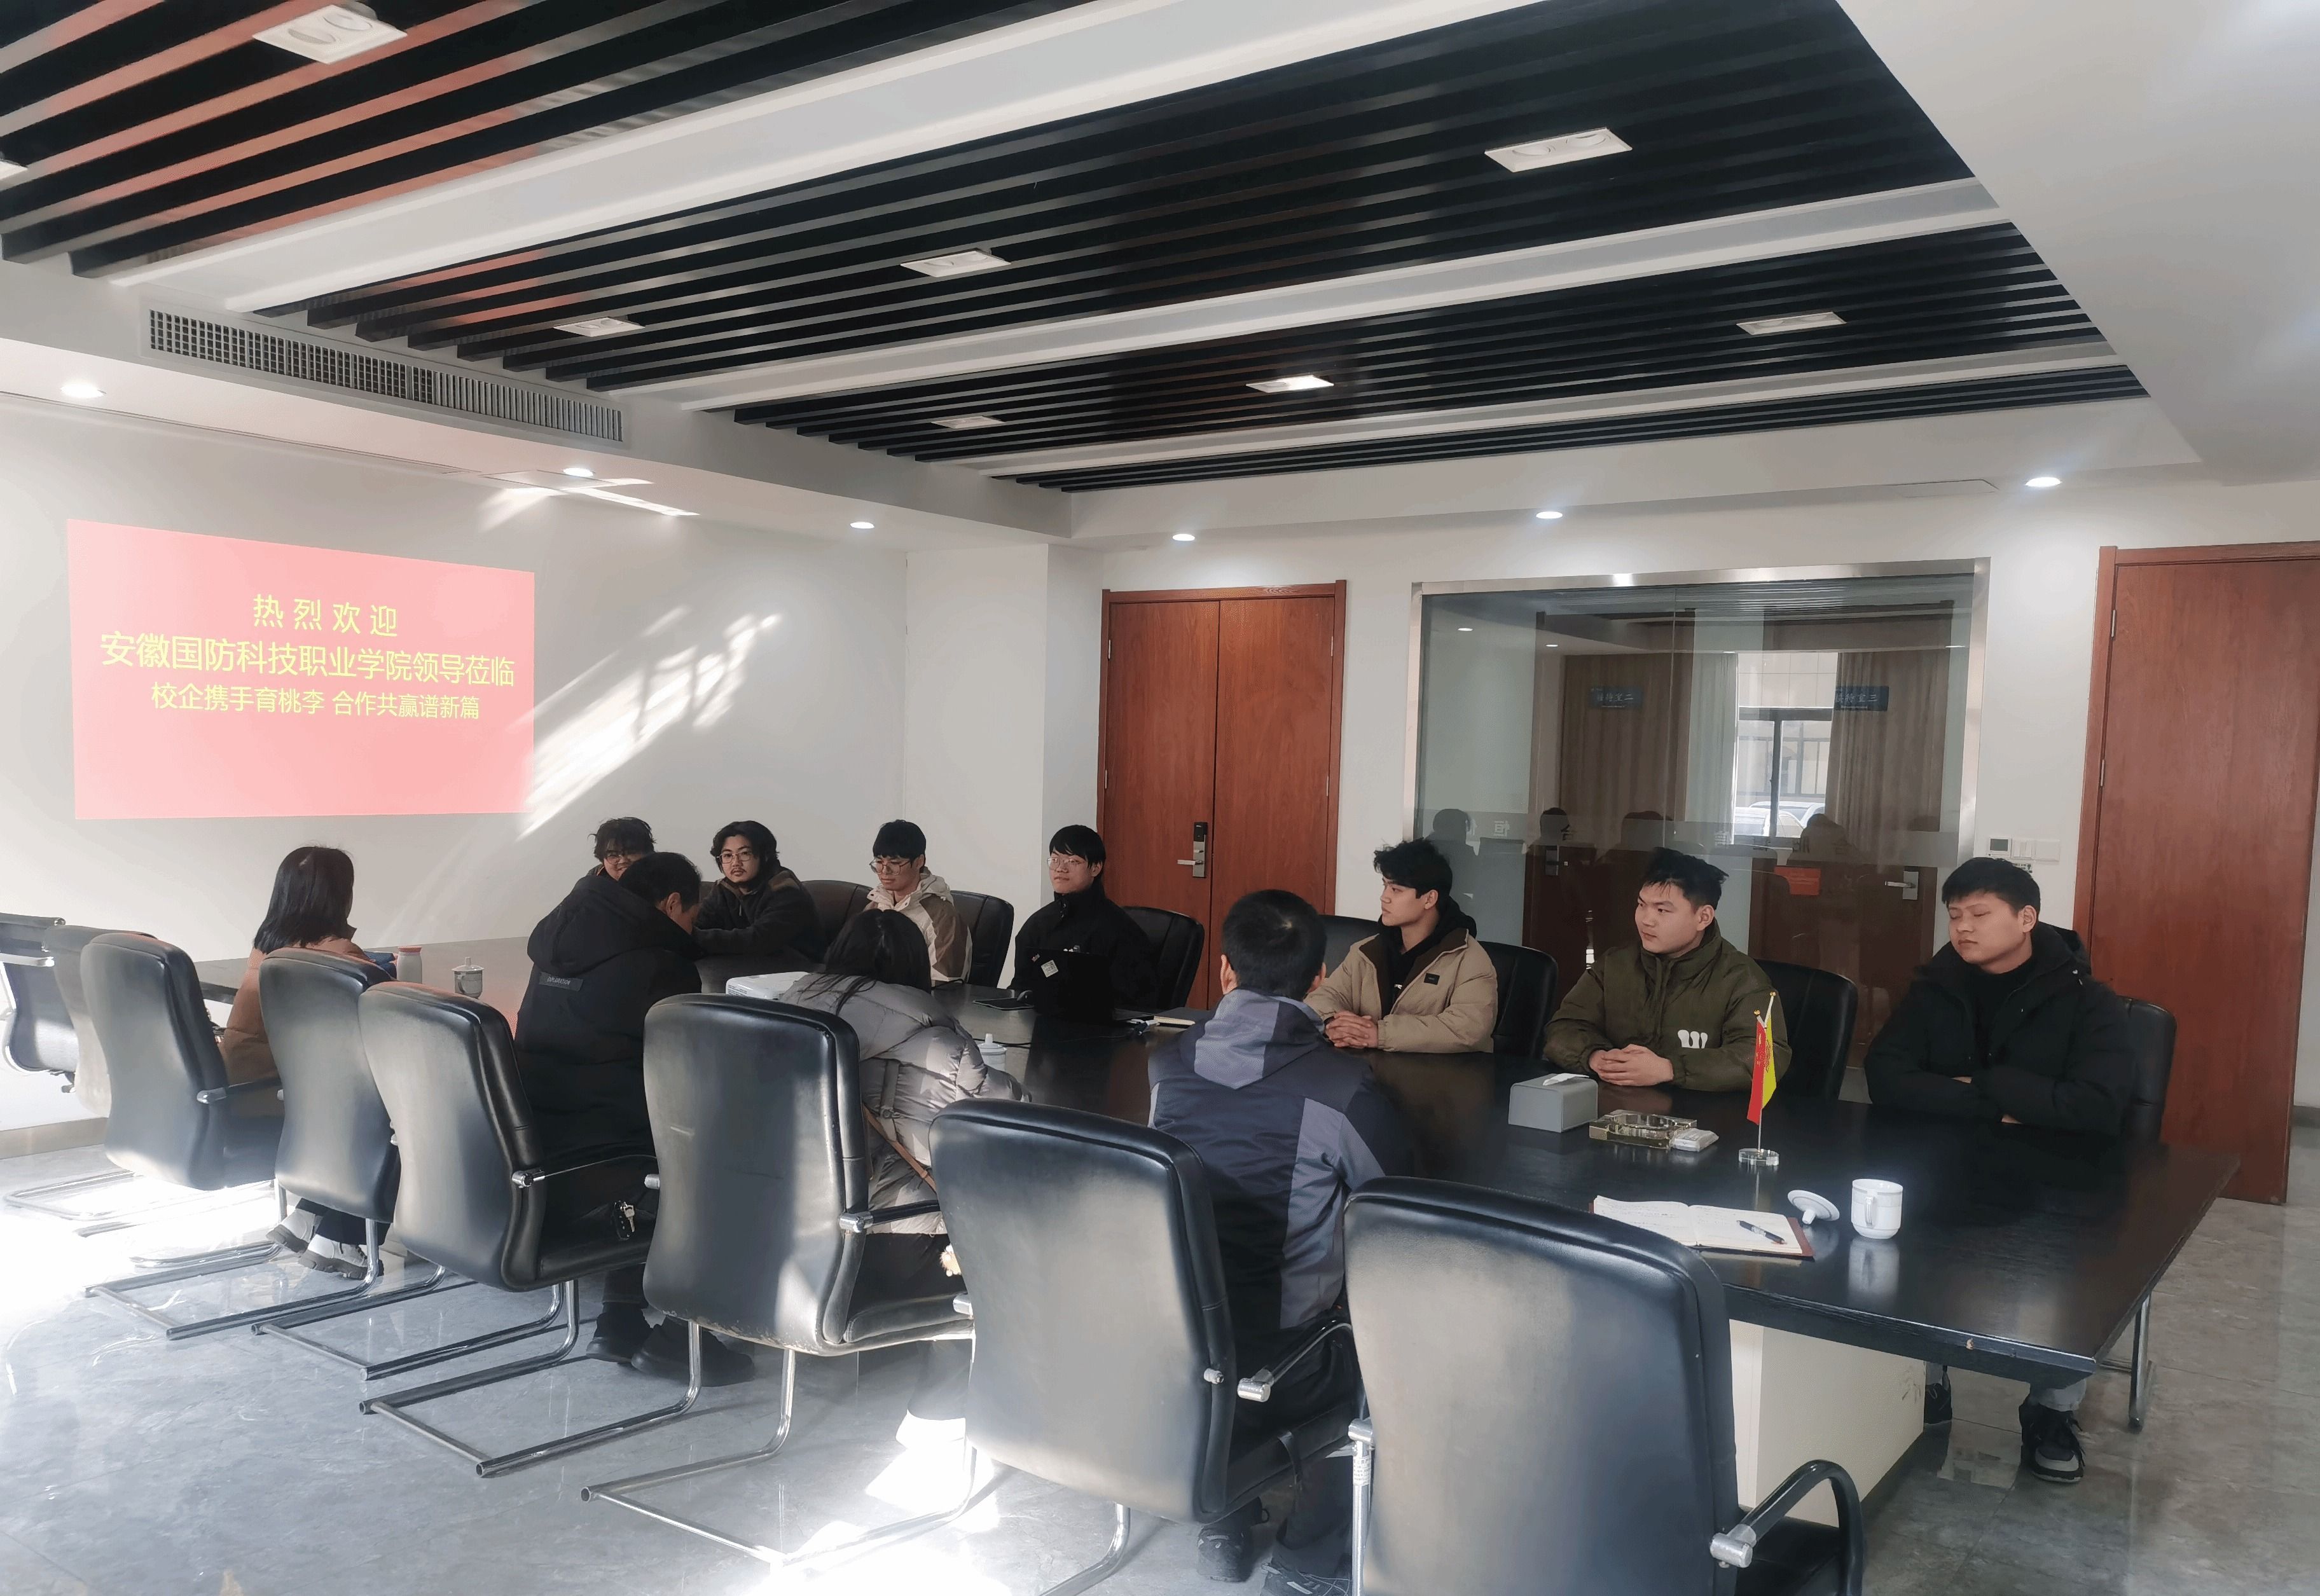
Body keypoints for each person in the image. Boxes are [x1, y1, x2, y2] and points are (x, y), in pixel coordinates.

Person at [1150, 890, 1414, 1594]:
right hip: (1289, 1358)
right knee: (1378, 1347)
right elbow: (1396, 1208)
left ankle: (1225, 1522)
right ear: (1319, 976)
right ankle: (1311, 1564)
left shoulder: (1168, 1066)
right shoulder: (1342, 1088)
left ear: (1225, 970)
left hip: (1178, 1345)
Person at [1864, 856, 2132, 1485]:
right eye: (1955, 915)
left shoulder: (2088, 1000)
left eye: (1979, 914)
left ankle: (2051, 1409)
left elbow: (2095, 1105)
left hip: (2053, 1173)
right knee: (1891, 1230)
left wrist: (1982, 1082)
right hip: (1947, 1160)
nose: (1963, 927)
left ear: (2026, 918)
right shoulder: (1935, 987)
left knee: (2070, 1265)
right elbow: (1886, 1076)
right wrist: (2000, 1103)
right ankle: (1925, 1378)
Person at [785, 909, 1025, 1441]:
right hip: (885, 1249)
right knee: (1005, 1238)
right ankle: (940, 1410)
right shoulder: (940, 1046)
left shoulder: (779, 1021)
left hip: (786, 1248)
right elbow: (1005, 1122)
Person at [516, 851, 753, 1386]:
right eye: (691, 917)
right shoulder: (659, 964)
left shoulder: (556, 946)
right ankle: (683, 1334)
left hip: (541, 1142)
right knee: (723, 1160)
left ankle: (619, 1321)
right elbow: (684, 1067)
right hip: (606, 1149)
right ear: (671, 904)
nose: (691, 930)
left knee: (663, 1152)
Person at [223, 845, 386, 1278]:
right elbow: (378, 1015)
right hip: (276, 1091)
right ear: (340, 895)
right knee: (392, 1115)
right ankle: (344, 1236)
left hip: (246, 1080)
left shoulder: (267, 946)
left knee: (355, 1096)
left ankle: (309, 1216)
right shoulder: (339, 953)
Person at [1543, 847, 1788, 1090]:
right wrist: (1597, 1057)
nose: (1646, 920)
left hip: (1703, 1110)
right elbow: (1563, 1028)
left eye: (1662, 910)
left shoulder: (1742, 978)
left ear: (1703, 917)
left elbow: (1765, 1058)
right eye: (1641, 905)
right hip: (1616, 1101)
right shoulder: (1615, 965)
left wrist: (1670, 1069)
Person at [1306, 838, 1498, 1053]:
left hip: (1445, 1073)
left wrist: (1380, 1034)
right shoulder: (1366, 952)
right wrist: (1333, 1023)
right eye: (1385, 886)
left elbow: (1468, 1028)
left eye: (1396, 890)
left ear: (1429, 899)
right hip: (1368, 1069)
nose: (1384, 898)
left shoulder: (1469, 959)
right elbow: (1323, 997)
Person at [1010, 824, 1159, 1008]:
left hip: (1100, 1023)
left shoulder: (1119, 930)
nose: (1060, 868)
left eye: (1073, 861)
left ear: (1095, 868)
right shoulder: (1037, 924)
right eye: (1055, 860)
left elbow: (1133, 1002)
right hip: (1038, 1020)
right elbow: (1020, 987)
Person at [693, 820, 824, 963]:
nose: (736, 863)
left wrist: (692, 936)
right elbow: (699, 924)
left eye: (745, 853)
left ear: (765, 856)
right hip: (748, 967)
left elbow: (759, 940)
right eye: (728, 856)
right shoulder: (724, 889)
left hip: (798, 969)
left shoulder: (786, 890)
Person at [866, 819, 969, 985]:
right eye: (879, 863)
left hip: (914, 999)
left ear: (919, 861)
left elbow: (944, 983)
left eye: (895, 863)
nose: (885, 871)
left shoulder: (943, 917)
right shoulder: (875, 905)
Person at [586, 816, 654, 883]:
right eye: (613, 855)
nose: (623, 861)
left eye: (630, 852)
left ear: (648, 853)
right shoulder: (592, 885)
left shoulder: (660, 879)